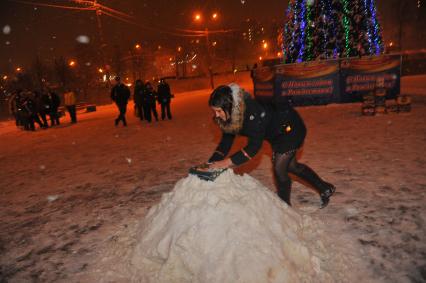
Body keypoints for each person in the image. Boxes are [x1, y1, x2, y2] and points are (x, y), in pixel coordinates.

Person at [206, 83, 336, 208]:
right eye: (214, 111)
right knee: (291, 166)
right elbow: (226, 141)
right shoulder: (230, 115)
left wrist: (226, 162)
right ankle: (325, 188)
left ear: (229, 106)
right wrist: (212, 162)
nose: (216, 115)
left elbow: (253, 148)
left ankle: (284, 207)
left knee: (280, 168)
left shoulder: (252, 112)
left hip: (290, 128)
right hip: (275, 133)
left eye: (218, 111)